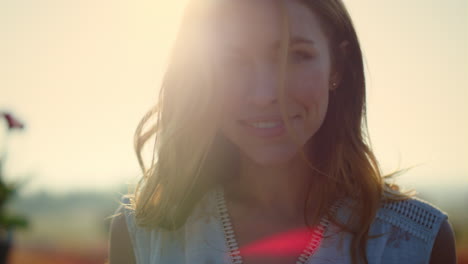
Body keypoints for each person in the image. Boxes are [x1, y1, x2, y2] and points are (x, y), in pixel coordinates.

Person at [108, 0, 456, 263]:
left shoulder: (417, 242)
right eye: (233, 62)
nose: (263, 94)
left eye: (295, 56)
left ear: (338, 66)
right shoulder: (143, 238)